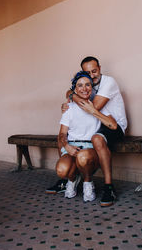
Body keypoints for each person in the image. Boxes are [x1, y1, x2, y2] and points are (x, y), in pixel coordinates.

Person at [46, 56, 127, 207]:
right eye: (88, 72)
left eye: (95, 71)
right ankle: (68, 178)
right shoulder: (89, 87)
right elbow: (75, 94)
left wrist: (72, 96)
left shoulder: (108, 82)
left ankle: (109, 187)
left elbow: (91, 107)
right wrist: (70, 96)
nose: (92, 74)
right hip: (100, 122)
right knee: (63, 135)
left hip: (115, 124)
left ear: (100, 68)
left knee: (96, 139)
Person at [56, 71, 117, 202]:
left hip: (89, 150)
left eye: (88, 85)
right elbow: (62, 133)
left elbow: (113, 125)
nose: (84, 88)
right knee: (61, 170)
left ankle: (88, 182)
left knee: (83, 157)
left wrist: (93, 111)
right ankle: (72, 181)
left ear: (91, 88)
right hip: (71, 146)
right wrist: (67, 146)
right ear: (75, 90)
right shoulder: (69, 108)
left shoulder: (97, 106)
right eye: (80, 85)